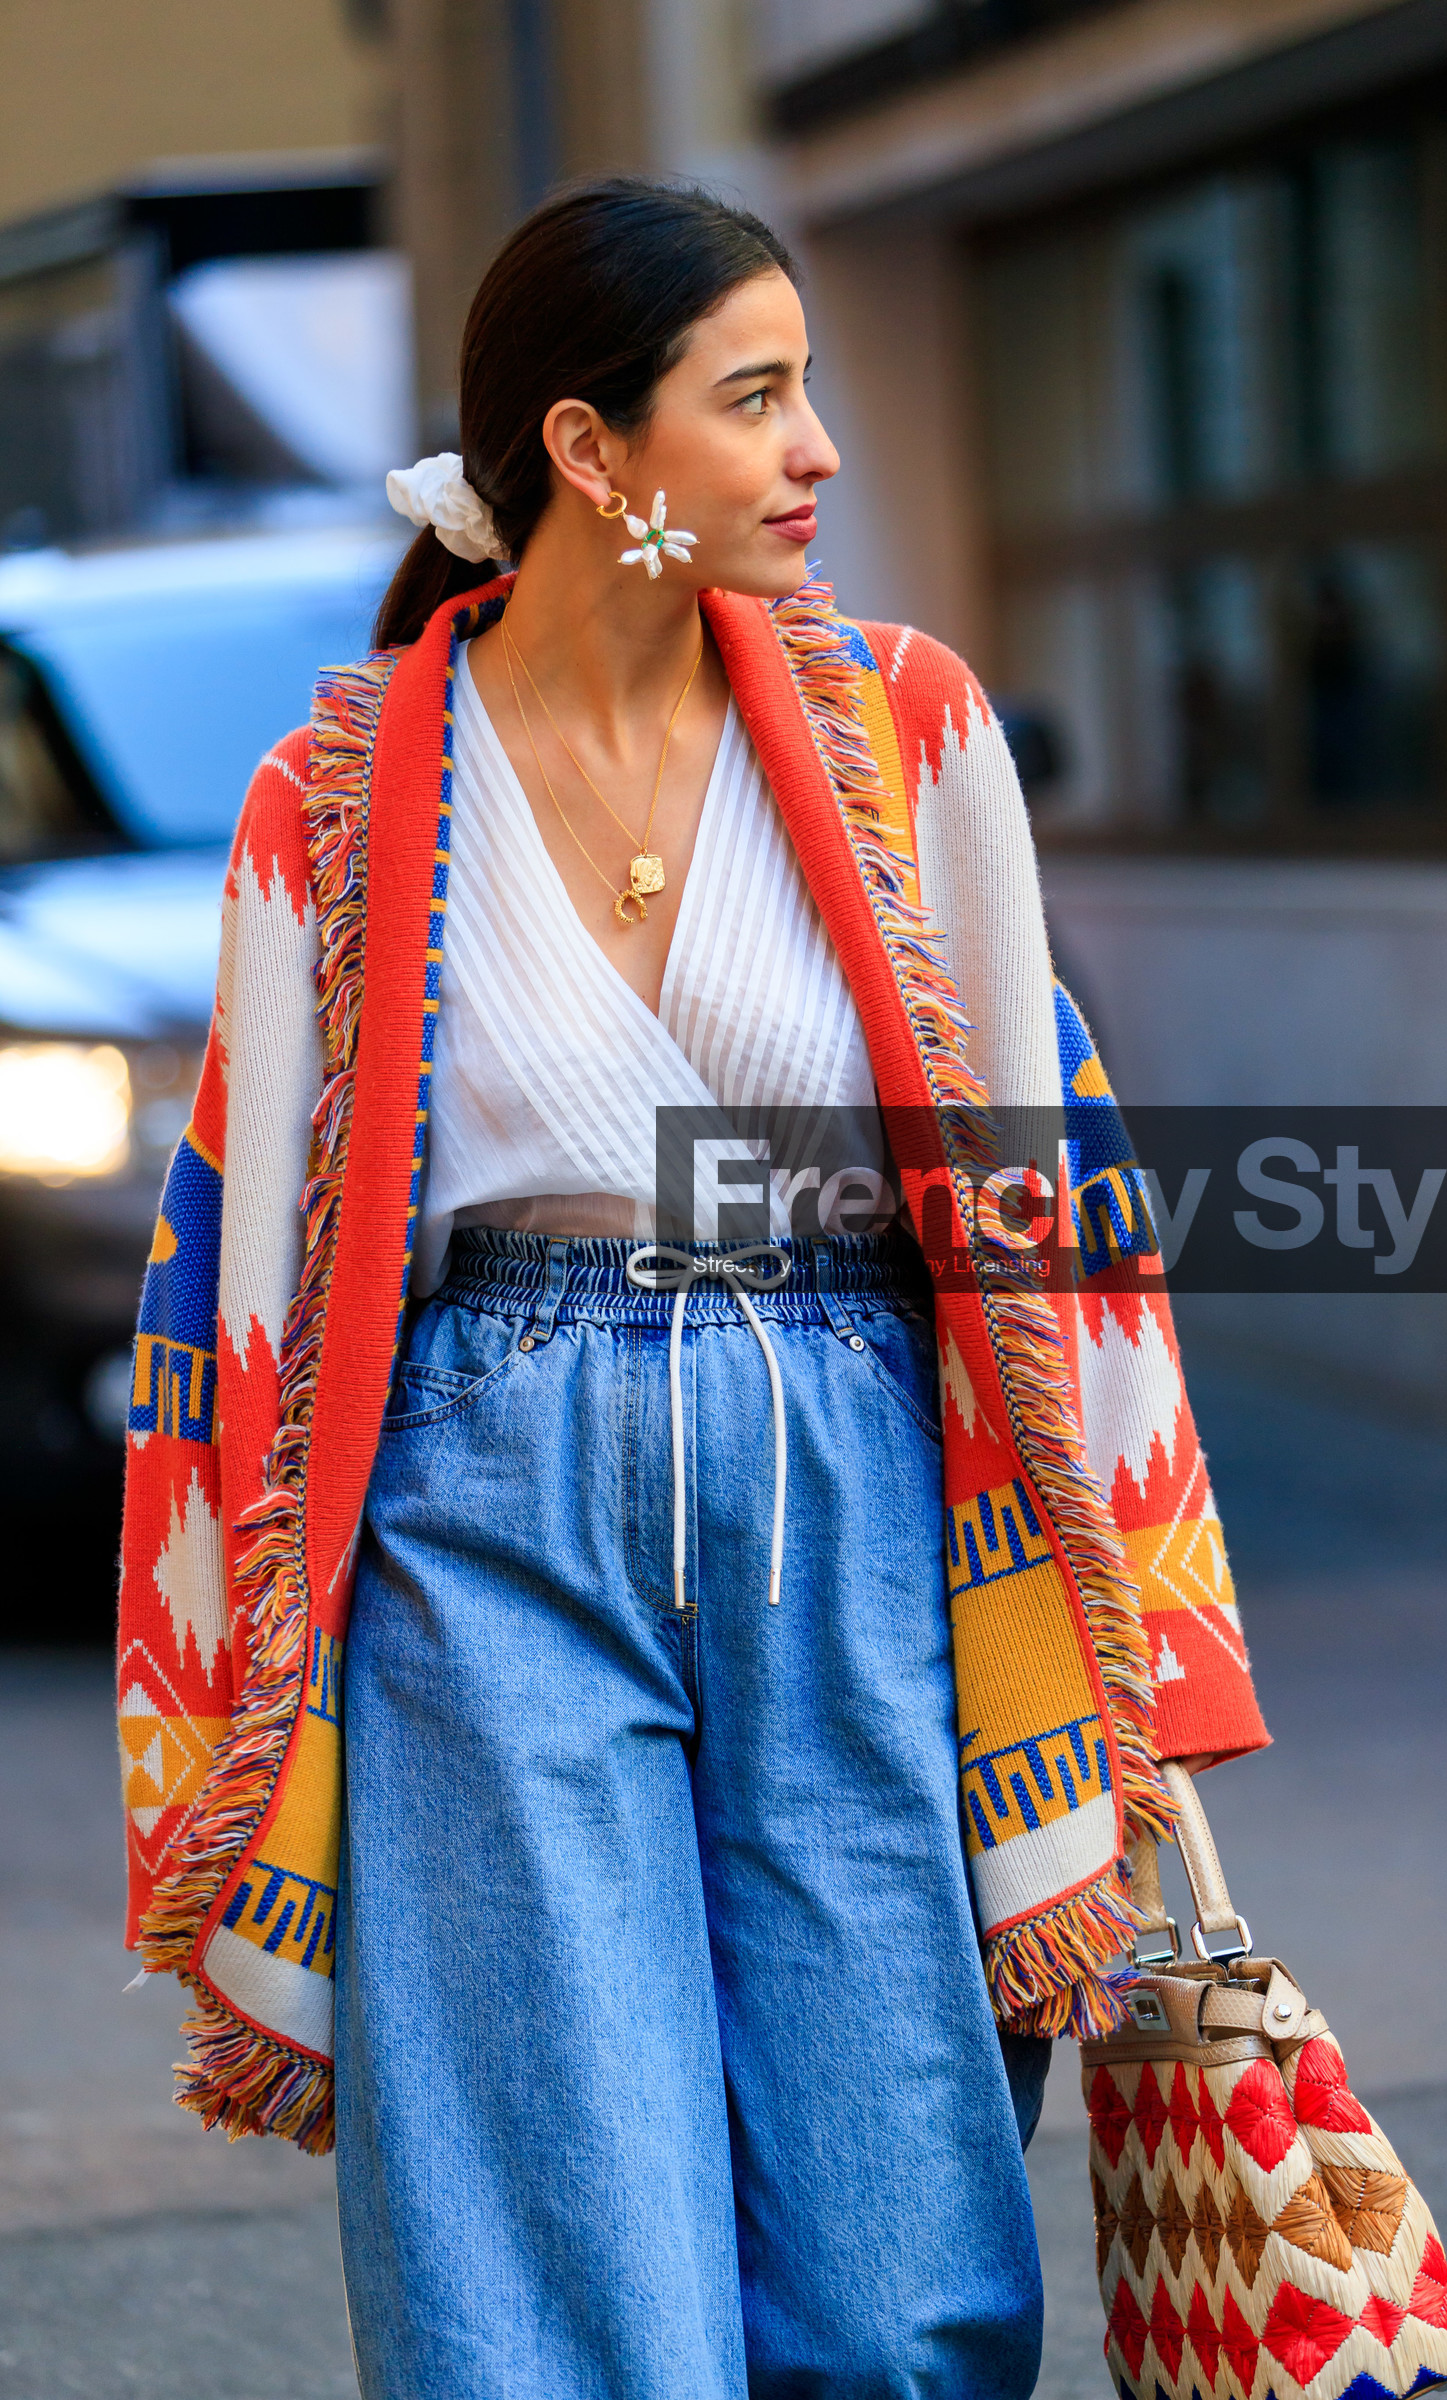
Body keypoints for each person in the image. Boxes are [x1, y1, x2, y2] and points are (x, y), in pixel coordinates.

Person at [116, 178, 1268, 2400]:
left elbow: (1042, 1165)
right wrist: (230, 1672)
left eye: (806, 386)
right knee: (552, 2266)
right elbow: (242, 1276)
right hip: (483, 1496)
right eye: (753, 397)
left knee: (897, 2265)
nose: (816, 447)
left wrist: (1135, 1606)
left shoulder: (912, 725)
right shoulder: (332, 796)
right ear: (588, 448)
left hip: (851, 1467)